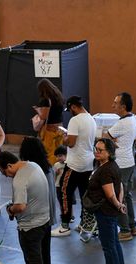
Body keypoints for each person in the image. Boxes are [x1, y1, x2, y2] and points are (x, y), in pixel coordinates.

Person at [0, 150, 52, 264]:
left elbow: (20, 206)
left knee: (33, 255)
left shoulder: (19, 180)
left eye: (4, 172)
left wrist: (9, 209)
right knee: (40, 253)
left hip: (31, 225)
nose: (7, 176)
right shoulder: (33, 165)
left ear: (9, 165)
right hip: (44, 218)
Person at [83, 137, 127, 264]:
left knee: (108, 245)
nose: (97, 152)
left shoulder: (106, 170)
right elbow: (120, 185)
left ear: (109, 152)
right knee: (114, 242)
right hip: (110, 211)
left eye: (100, 150)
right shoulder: (112, 165)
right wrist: (119, 203)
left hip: (105, 211)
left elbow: (109, 193)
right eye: (96, 149)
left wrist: (117, 204)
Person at [58, 96, 96, 239]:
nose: (70, 113)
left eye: (70, 109)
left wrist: (64, 137)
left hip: (75, 164)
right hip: (88, 162)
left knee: (64, 191)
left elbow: (71, 143)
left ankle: (65, 225)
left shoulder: (75, 120)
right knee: (84, 195)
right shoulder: (91, 118)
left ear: (74, 107)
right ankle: (84, 223)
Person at [105, 92, 136, 238]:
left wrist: (112, 141)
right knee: (127, 195)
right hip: (129, 162)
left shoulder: (122, 123)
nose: (113, 106)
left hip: (121, 165)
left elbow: (105, 138)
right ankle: (132, 226)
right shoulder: (131, 119)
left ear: (123, 106)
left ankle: (124, 230)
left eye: (115, 103)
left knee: (120, 197)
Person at [32, 79, 66, 168]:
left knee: (50, 154)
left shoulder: (45, 100)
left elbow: (44, 116)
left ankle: (51, 172)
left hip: (49, 131)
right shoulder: (59, 97)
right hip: (60, 129)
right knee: (60, 153)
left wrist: (38, 110)